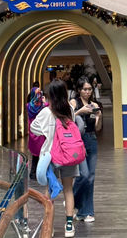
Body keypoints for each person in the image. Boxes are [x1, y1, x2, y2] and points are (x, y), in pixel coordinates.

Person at [31, 78, 80, 238]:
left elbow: (33, 128)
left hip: (50, 156)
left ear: (50, 95)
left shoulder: (45, 112)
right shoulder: (70, 110)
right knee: (68, 189)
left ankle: (49, 226)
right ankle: (69, 226)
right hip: (69, 154)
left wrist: (47, 132)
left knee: (49, 190)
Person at [70, 77, 102, 224]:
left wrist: (99, 117)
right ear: (79, 90)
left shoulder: (94, 104)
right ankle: (72, 200)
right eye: (84, 89)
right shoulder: (74, 103)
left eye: (89, 89)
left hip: (91, 139)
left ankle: (86, 212)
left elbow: (97, 128)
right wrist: (79, 112)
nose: (87, 92)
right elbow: (67, 120)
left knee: (91, 177)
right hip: (78, 141)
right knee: (84, 175)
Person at [26, 84, 47, 180]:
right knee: (42, 154)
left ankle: (33, 173)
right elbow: (48, 106)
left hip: (32, 132)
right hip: (41, 132)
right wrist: (44, 101)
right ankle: (40, 173)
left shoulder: (28, 106)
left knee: (35, 155)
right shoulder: (43, 106)